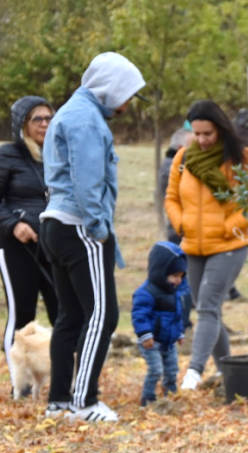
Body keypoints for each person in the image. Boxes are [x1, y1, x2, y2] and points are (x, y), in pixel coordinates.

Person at [39, 52, 146, 422]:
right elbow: (87, 183)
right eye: (126, 94)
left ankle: (58, 402)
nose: (127, 104)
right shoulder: (85, 120)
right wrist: (99, 229)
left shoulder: (71, 112)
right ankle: (83, 402)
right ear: (111, 88)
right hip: (80, 227)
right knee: (103, 314)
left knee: (70, 315)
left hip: (55, 223)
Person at [165, 99, 248, 390]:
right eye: (197, 134)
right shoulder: (183, 158)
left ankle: (194, 371)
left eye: (207, 133)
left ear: (220, 130)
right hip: (194, 244)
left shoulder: (243, 159)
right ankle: (225, 371)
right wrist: (180, 222)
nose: (202, 139)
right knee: (207, 307)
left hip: (229, 244)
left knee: (207, 305)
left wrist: (228, 225)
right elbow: (171, 197)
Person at [1, 95, 59, 399]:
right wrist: (13, 225)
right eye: (38, 119)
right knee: (21, 314)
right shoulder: (7, 155)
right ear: (22, 123)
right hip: (15, 249)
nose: (45, 124)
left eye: (49, 118)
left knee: (61, 311)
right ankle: (19, 386)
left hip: (52, 243)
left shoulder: (55, 155)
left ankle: (61, 383)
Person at [131, 241, 189, 406]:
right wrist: (145, 334)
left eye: (181, 276)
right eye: (175, 276)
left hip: (168, 342)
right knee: (156, 370)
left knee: (172, 370)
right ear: (161, 272)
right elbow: (139, 315)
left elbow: (177, 316)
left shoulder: (174, 292)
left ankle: (170, 395)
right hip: (151, 341)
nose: (178, 280)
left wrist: (179, 333)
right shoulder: (146, 293)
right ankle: (148, 398)